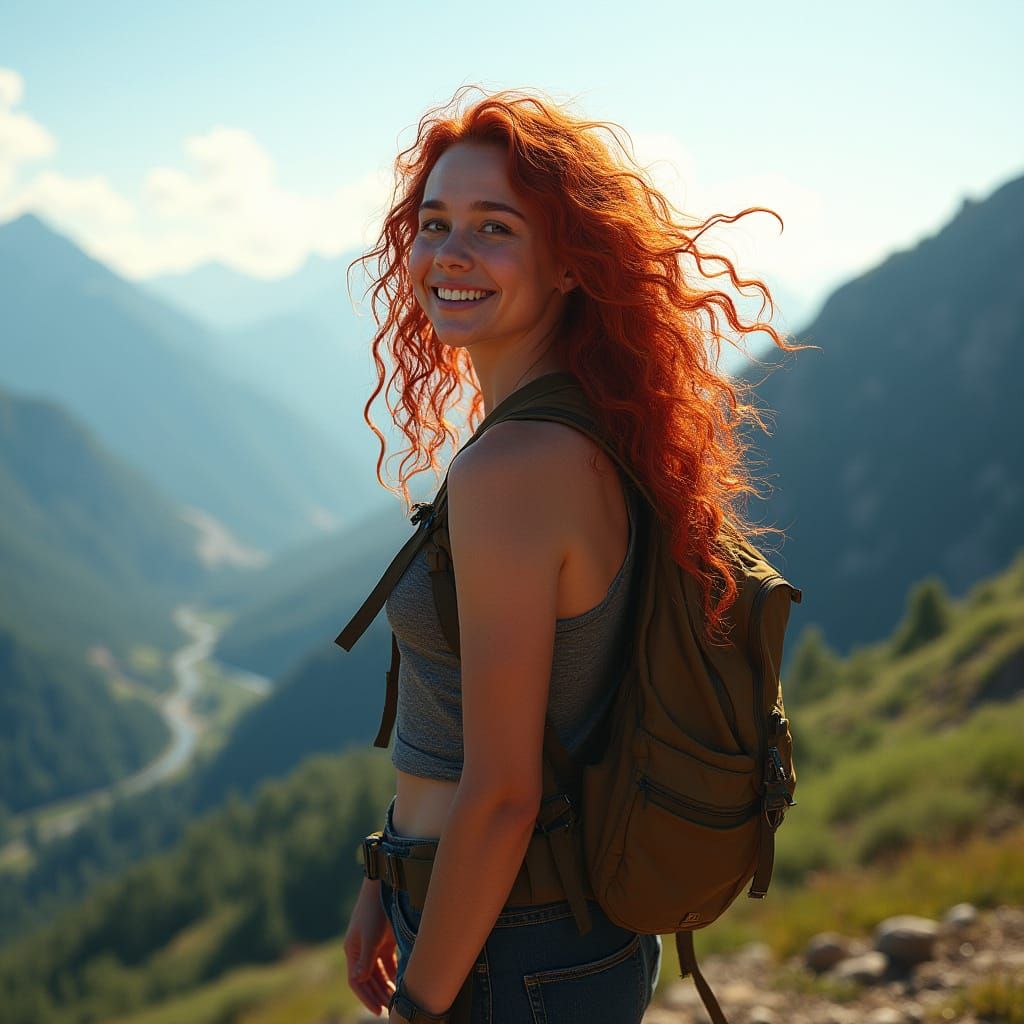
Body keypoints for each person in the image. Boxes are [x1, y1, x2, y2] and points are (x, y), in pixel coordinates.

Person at [342, 86, 798, 1023]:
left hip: (507, 942)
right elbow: (483, 717)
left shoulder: (513, 468)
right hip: (542, 920)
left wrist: (423, 1010)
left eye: (495, 228)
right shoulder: (588, 426)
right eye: (435, 223)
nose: (450, 253)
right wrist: (386, 881)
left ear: (567, 264)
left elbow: (504, 794)